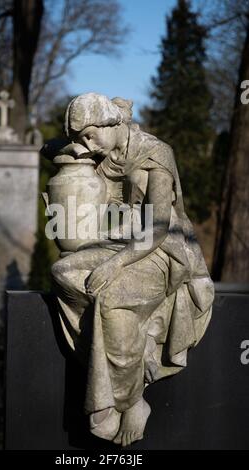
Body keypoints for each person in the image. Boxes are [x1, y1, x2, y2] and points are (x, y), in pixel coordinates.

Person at [51, 93, 214, 447]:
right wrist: (74, 148)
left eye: (90, 135)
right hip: (116, 243)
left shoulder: (157, 154)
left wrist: (114, 264)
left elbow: (157, 228)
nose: (86, 143)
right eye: (82, 137)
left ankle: (130, 401)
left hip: (159, 251)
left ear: (113, 124)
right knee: (63, 272)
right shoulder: (103, 153)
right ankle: (118, 357)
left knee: (111, 302)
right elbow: (52, 148)